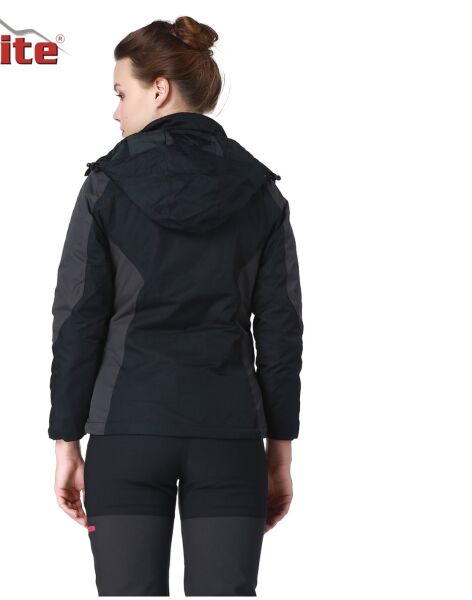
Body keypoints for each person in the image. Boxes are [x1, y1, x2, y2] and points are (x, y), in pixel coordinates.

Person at [48, 15, 304, 597]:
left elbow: (78, 320)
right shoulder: (261, 192)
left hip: (125, 433)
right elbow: (281, 331)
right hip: (230, 437)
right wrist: (279, 451)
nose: (116, 112)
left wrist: (67, 440)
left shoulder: (106, 187)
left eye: (121, 93)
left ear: (159, 89)